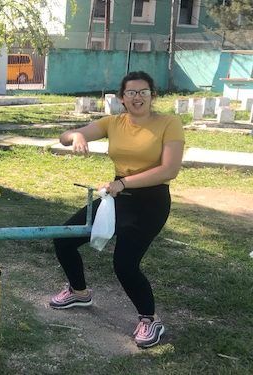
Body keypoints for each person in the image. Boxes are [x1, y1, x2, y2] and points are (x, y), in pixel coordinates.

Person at [49, 71, 185, 349]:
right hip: (117, 198)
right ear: (122, 98)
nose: (138, 97)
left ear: (152, 95)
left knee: (125, 264)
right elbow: (64, 137)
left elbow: (169, 170)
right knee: (65, 239)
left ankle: (150, 320)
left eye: (143, 92)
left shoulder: (169, 124)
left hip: (150, 202)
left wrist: (122, 183)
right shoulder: (113, 122)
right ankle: (79, 291)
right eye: (131, 92)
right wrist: (75, 135)